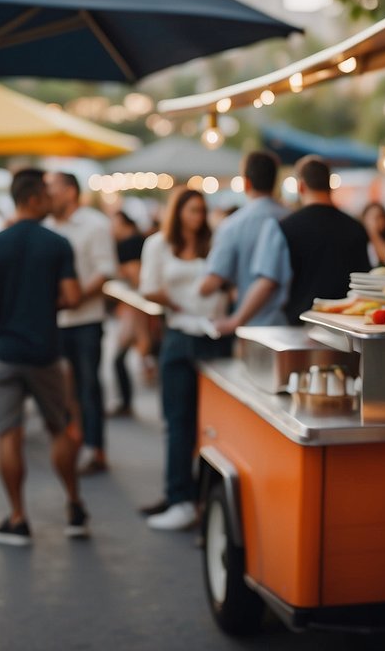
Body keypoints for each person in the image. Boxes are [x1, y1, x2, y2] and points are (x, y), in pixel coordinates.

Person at [0, 168, 88, 546]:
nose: (52, 202)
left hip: (3, 351)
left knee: (8, 433)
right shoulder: (58, 244)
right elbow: (71, 297)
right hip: (45, 351)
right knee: (59, 428)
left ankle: (18, 518)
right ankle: (73, 506)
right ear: (34, 199)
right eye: (47, 196)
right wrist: (40, 302)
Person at [137, 188, 228, 529]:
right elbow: (148, 287)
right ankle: (179, 497)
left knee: (213, 423)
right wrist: (177, 302)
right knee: (177, 422)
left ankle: (200, 496)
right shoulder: (158, 245)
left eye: (201, 210)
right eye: (192, 210)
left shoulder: (214, 243)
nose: (198, 216)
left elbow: (225, 283)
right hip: (178, 334)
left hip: (212, 336)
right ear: (178, 212)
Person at [232, 156, 371, 329]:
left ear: (301, 186)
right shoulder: (355, 228)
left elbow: (267, 282)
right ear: (329, 185)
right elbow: (365, 283)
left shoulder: (284, 227)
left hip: (300, 327)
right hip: (348, 328)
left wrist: (236, 321)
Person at [45, 172, 117, 476]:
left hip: (86, 319)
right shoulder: (47, 226)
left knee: (89, 386)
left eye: (52, 188)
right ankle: (73, 440)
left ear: (70, 192)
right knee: (62, 388)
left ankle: (95, 448)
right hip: (55, 320)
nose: (48, 194)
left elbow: (105, 271)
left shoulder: (95, 224)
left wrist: (75, 299)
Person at [202, 150, 288, 336]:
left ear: (246, 182)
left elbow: (212, 280)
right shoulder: (290, 219)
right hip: (291, 323)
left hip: (252, 326)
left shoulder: (232, 225)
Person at [109, 210, 147, 417]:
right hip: (135, 308)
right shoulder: (137, 241)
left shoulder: (129, 245)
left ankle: (125, 402)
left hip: (136, 308)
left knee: (122, 355)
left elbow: (136, 276)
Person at [361, 201, 385, 268]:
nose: (375, 222)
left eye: (379, 217)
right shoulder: (360, 240)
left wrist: (374, 233)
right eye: (371, 218)